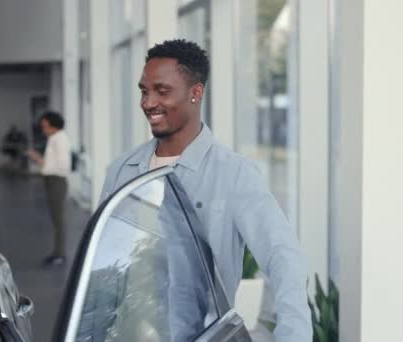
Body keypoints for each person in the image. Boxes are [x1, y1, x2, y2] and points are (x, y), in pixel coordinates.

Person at [99, 39, 311, 341]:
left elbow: (283, 257)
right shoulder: (122, 170)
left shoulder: (234, 174)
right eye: (144, 91)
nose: (148, 103)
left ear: (195, 93)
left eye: (162, 91)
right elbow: (104, 264)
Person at [27, 111, 71, 266]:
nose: (44, 130)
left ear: (54, 126)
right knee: (55, 218)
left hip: (56, 181)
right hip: (51, 180)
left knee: (58, 219)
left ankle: (60, 254)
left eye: (46, 126)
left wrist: (45, 165)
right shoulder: (53, 139)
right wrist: (37, 159)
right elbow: (48, 164)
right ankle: (57, 252)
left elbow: (63, 165)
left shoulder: (60, 139)